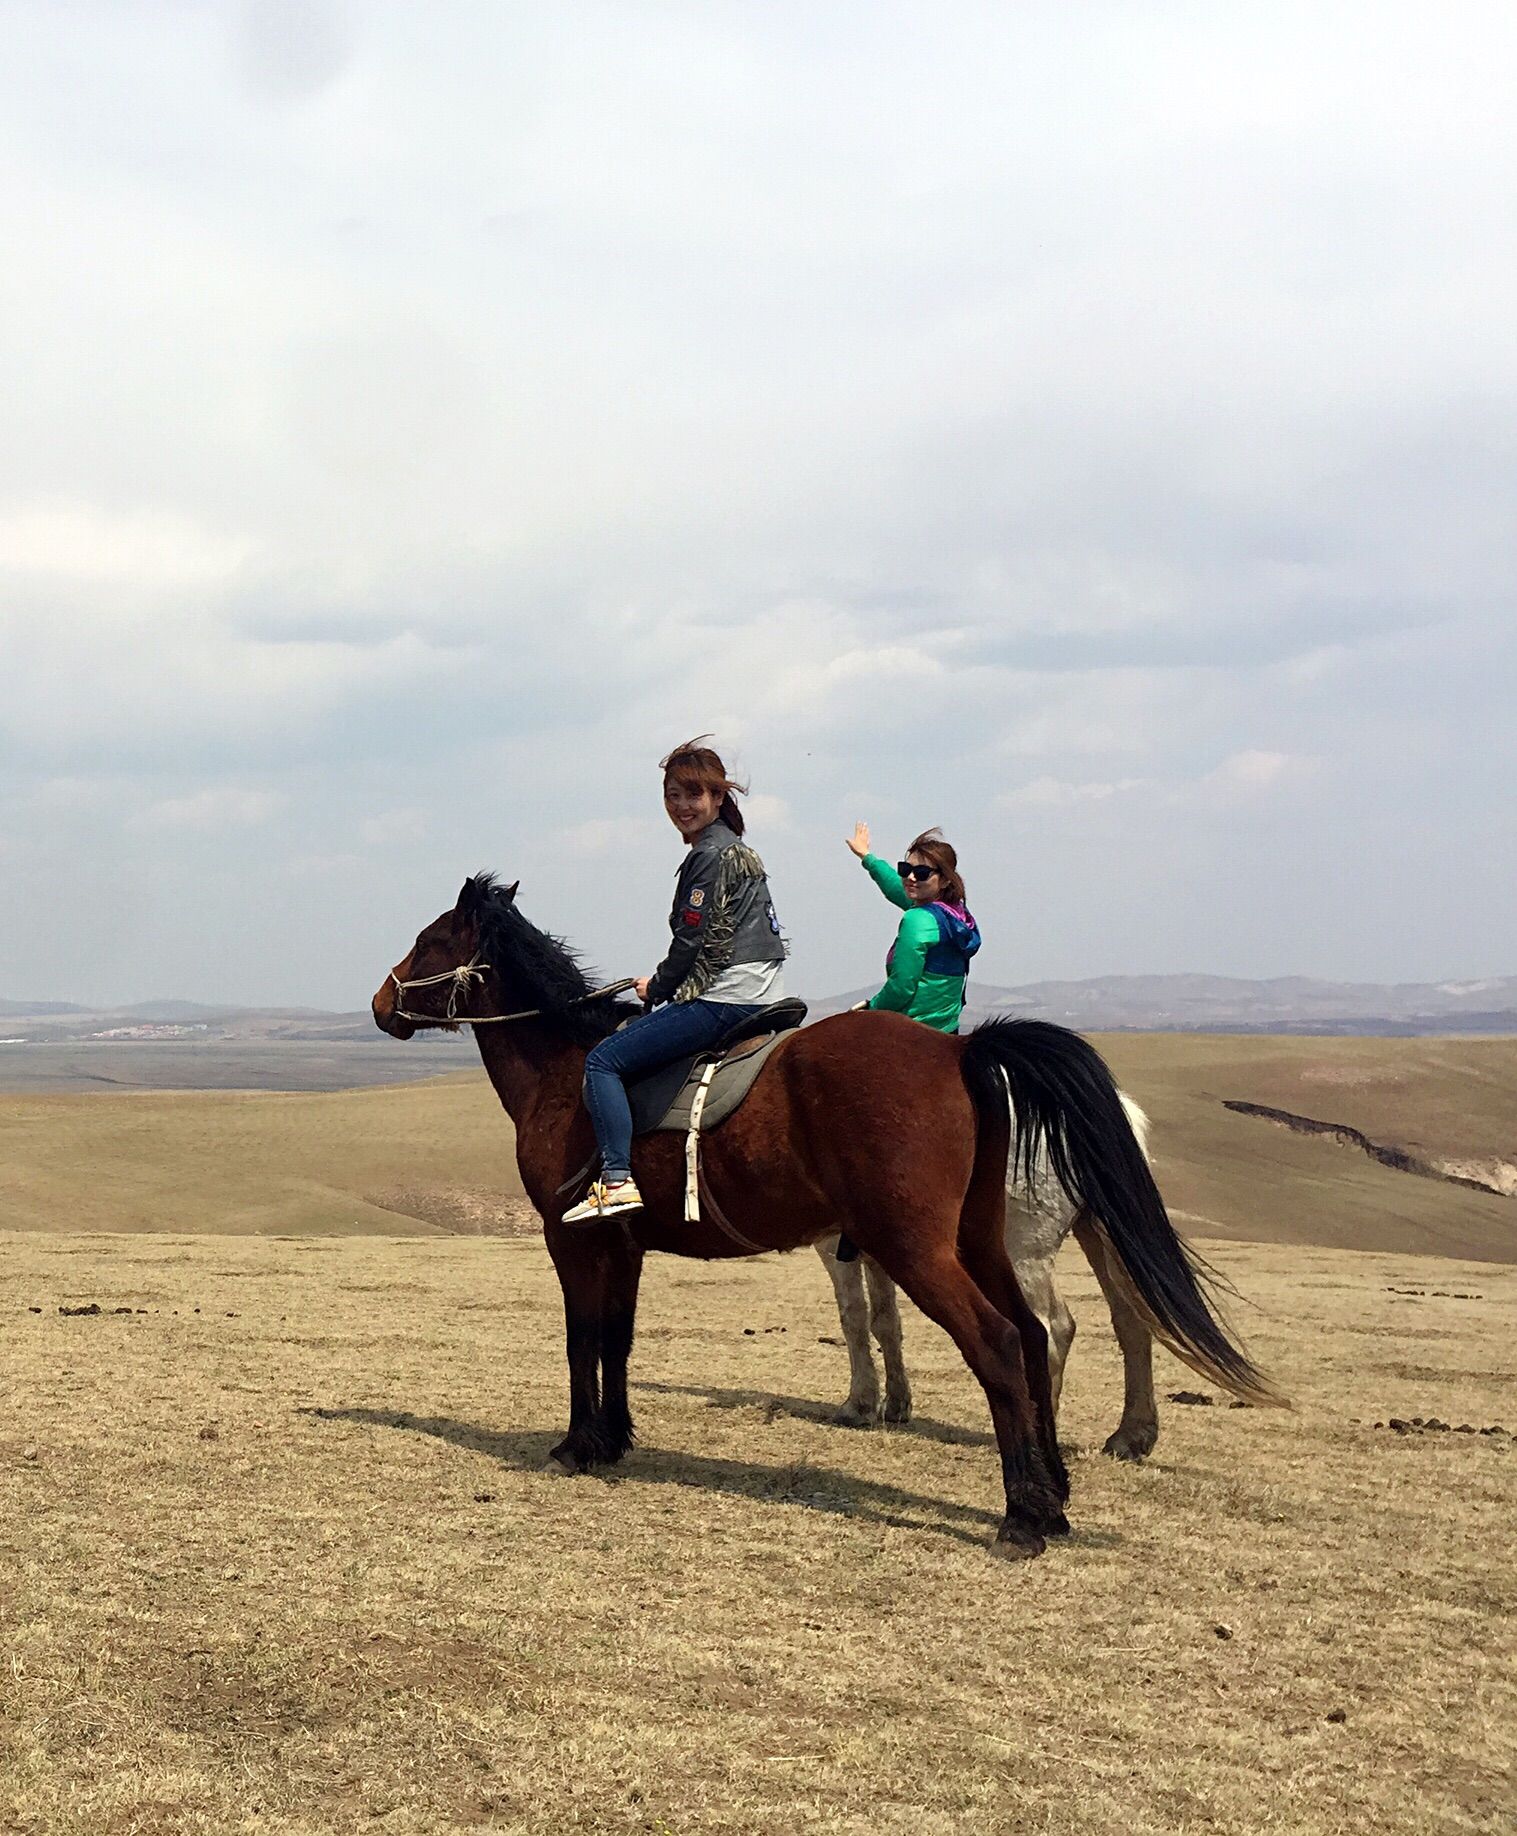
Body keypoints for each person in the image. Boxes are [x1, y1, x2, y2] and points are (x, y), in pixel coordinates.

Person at [564, 739, 787, 1222]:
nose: (682, 806)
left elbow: (691, 941)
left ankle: (617, 1180)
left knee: (603, 1062)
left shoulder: (708, 856)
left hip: (726, 998)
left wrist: (660, 988)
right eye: (673, 796)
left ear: (718, 798)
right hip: (761, 992)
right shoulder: (740, 850)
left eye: (694, 795)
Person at [846, 822, 980, 1033]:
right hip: (947, 1029)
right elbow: (895, 886)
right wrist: (866, 857)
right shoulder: (954, 915)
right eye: (905, 869)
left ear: (945, 880)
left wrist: (871, 1009)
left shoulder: (918, 920)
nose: (910, 877)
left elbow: (901, 987)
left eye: (922, 873)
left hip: (911, 1032)